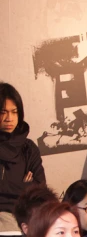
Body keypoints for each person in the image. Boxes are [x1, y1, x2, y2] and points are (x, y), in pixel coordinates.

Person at [0, 83, 46, 224]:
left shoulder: (28, 148)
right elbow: (31, 189)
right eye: (3, 112)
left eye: (14, 112)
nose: (9, 118)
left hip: (25, 220)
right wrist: (25, 186)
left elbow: (40, 190)